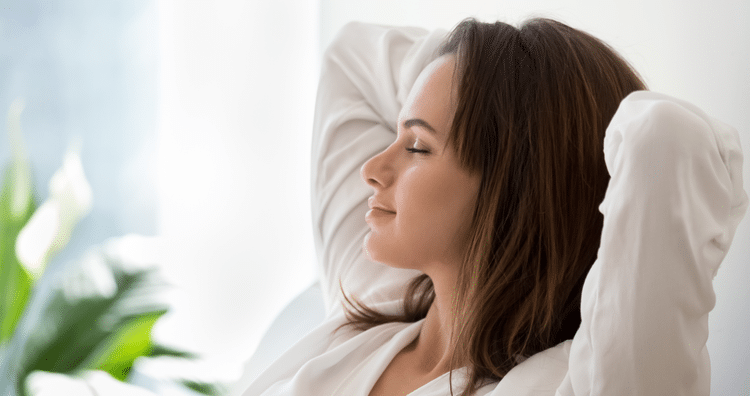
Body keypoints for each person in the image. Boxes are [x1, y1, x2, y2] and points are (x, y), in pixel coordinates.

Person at [243, 17, 747, 396]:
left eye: (417, 147)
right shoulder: (376, 304)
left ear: (516, 187)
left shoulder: (574, 382)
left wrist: (534, 101)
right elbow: (350, 55)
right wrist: (492, 63)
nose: (372, 168)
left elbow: (665, 138)